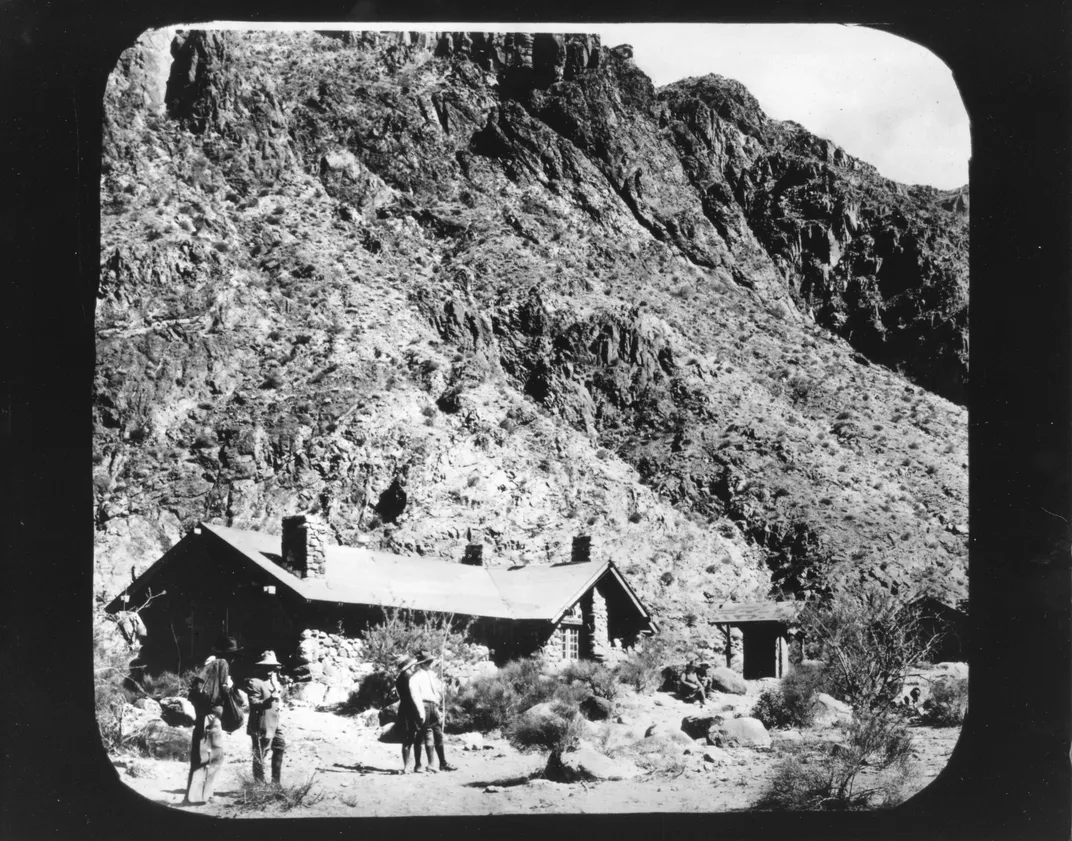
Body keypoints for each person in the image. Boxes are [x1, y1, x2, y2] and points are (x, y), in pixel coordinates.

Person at [183, 634, 242, 805]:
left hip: (205, 715)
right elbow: (222, 691)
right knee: (211, 755)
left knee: (203, 754)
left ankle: (198, 795)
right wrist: (230, 687)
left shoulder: (209, 665)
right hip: (211, 716)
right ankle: (198, 797)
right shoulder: (221, 664)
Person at [408, 649, 457, 772]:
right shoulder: (415, 678)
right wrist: (420, 712)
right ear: (422, 664)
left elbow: (438, 691)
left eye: (431, 662)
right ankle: (424, 765)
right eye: (428, 662)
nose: (430, 664)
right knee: (424, 736)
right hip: (423, 707)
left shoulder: (432, 675)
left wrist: (439, 701)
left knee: (438, 734)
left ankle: (443, 763)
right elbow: (415, 696)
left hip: (433, 706)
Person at [244, 650, 287, 785]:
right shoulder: (255, 682)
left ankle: (276, 783)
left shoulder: (273, 681)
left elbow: (279, 699)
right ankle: (259, 784)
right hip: (261, 723)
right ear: (261, 666)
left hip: (275, 722)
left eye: (272, 667)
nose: (270, 670)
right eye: (267, 667)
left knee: (280, 746)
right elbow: (254, 703)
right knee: (260, 754)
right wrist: (268, 701)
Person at [394, 654, 421, 774]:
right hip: (411, 708)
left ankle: (408, 766)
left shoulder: (401, 677)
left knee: (407, 738)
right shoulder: (408, 677)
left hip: (404, 708)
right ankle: (412, 766)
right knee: (412, 737)